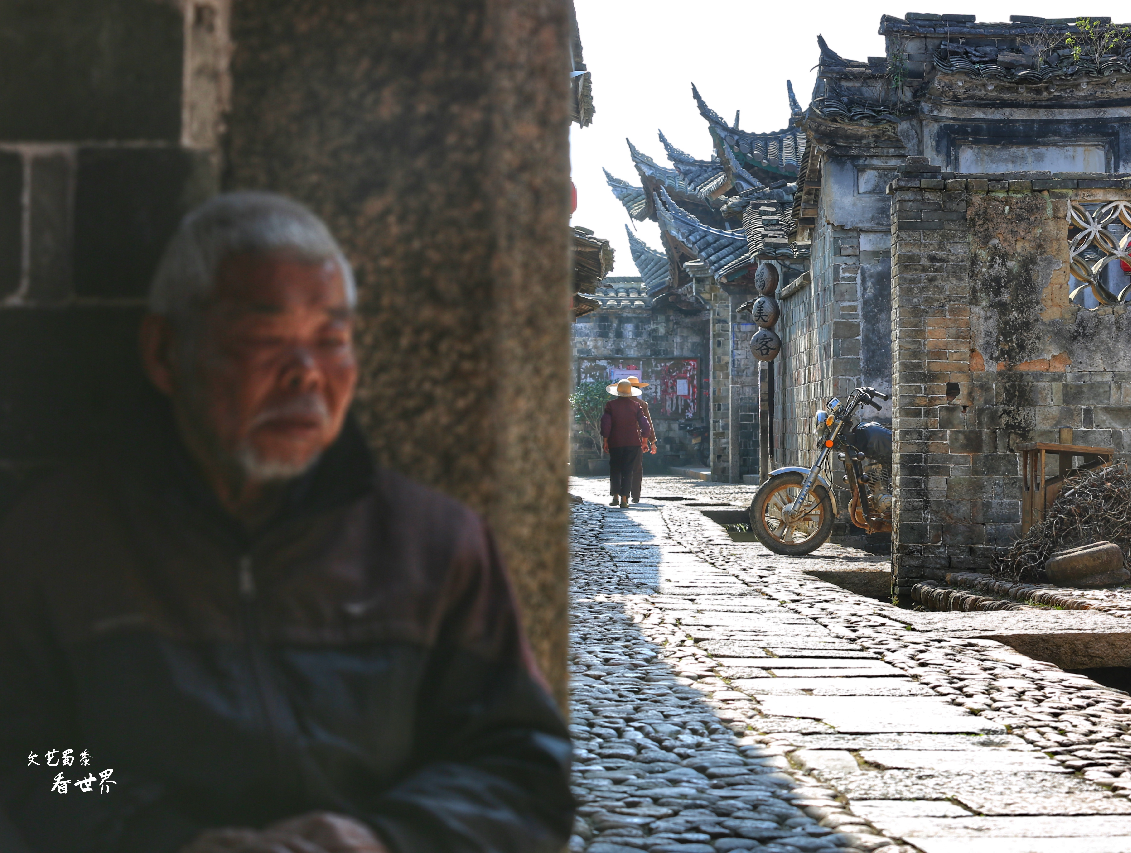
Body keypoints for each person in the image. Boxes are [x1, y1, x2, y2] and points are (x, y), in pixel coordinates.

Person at [0, 192, 574, 853]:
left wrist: (381, 837)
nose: (306, 373)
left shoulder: (434, 545)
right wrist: (160, 838)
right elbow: (31, 761)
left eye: (332, 340)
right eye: (263, 340)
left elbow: (519, 766)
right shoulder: (57, 543)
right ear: (165, 353)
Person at [599, 378, 652, 509]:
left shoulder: (610, 405)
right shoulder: (636, 406)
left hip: (615, 442)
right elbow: (645, 425)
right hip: (633, 443)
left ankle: (615, 496)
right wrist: (644, 441)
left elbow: (606, 424)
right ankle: (624, 499)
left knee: (615, 469)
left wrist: (606, 440)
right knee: (628, 470)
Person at [621, 379, 657, 506]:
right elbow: (648, 425)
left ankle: (624, 495)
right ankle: (635, 496)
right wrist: (651, 441)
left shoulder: (618, 403)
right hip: (636, 440)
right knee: (636, 468)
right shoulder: (641, 404)